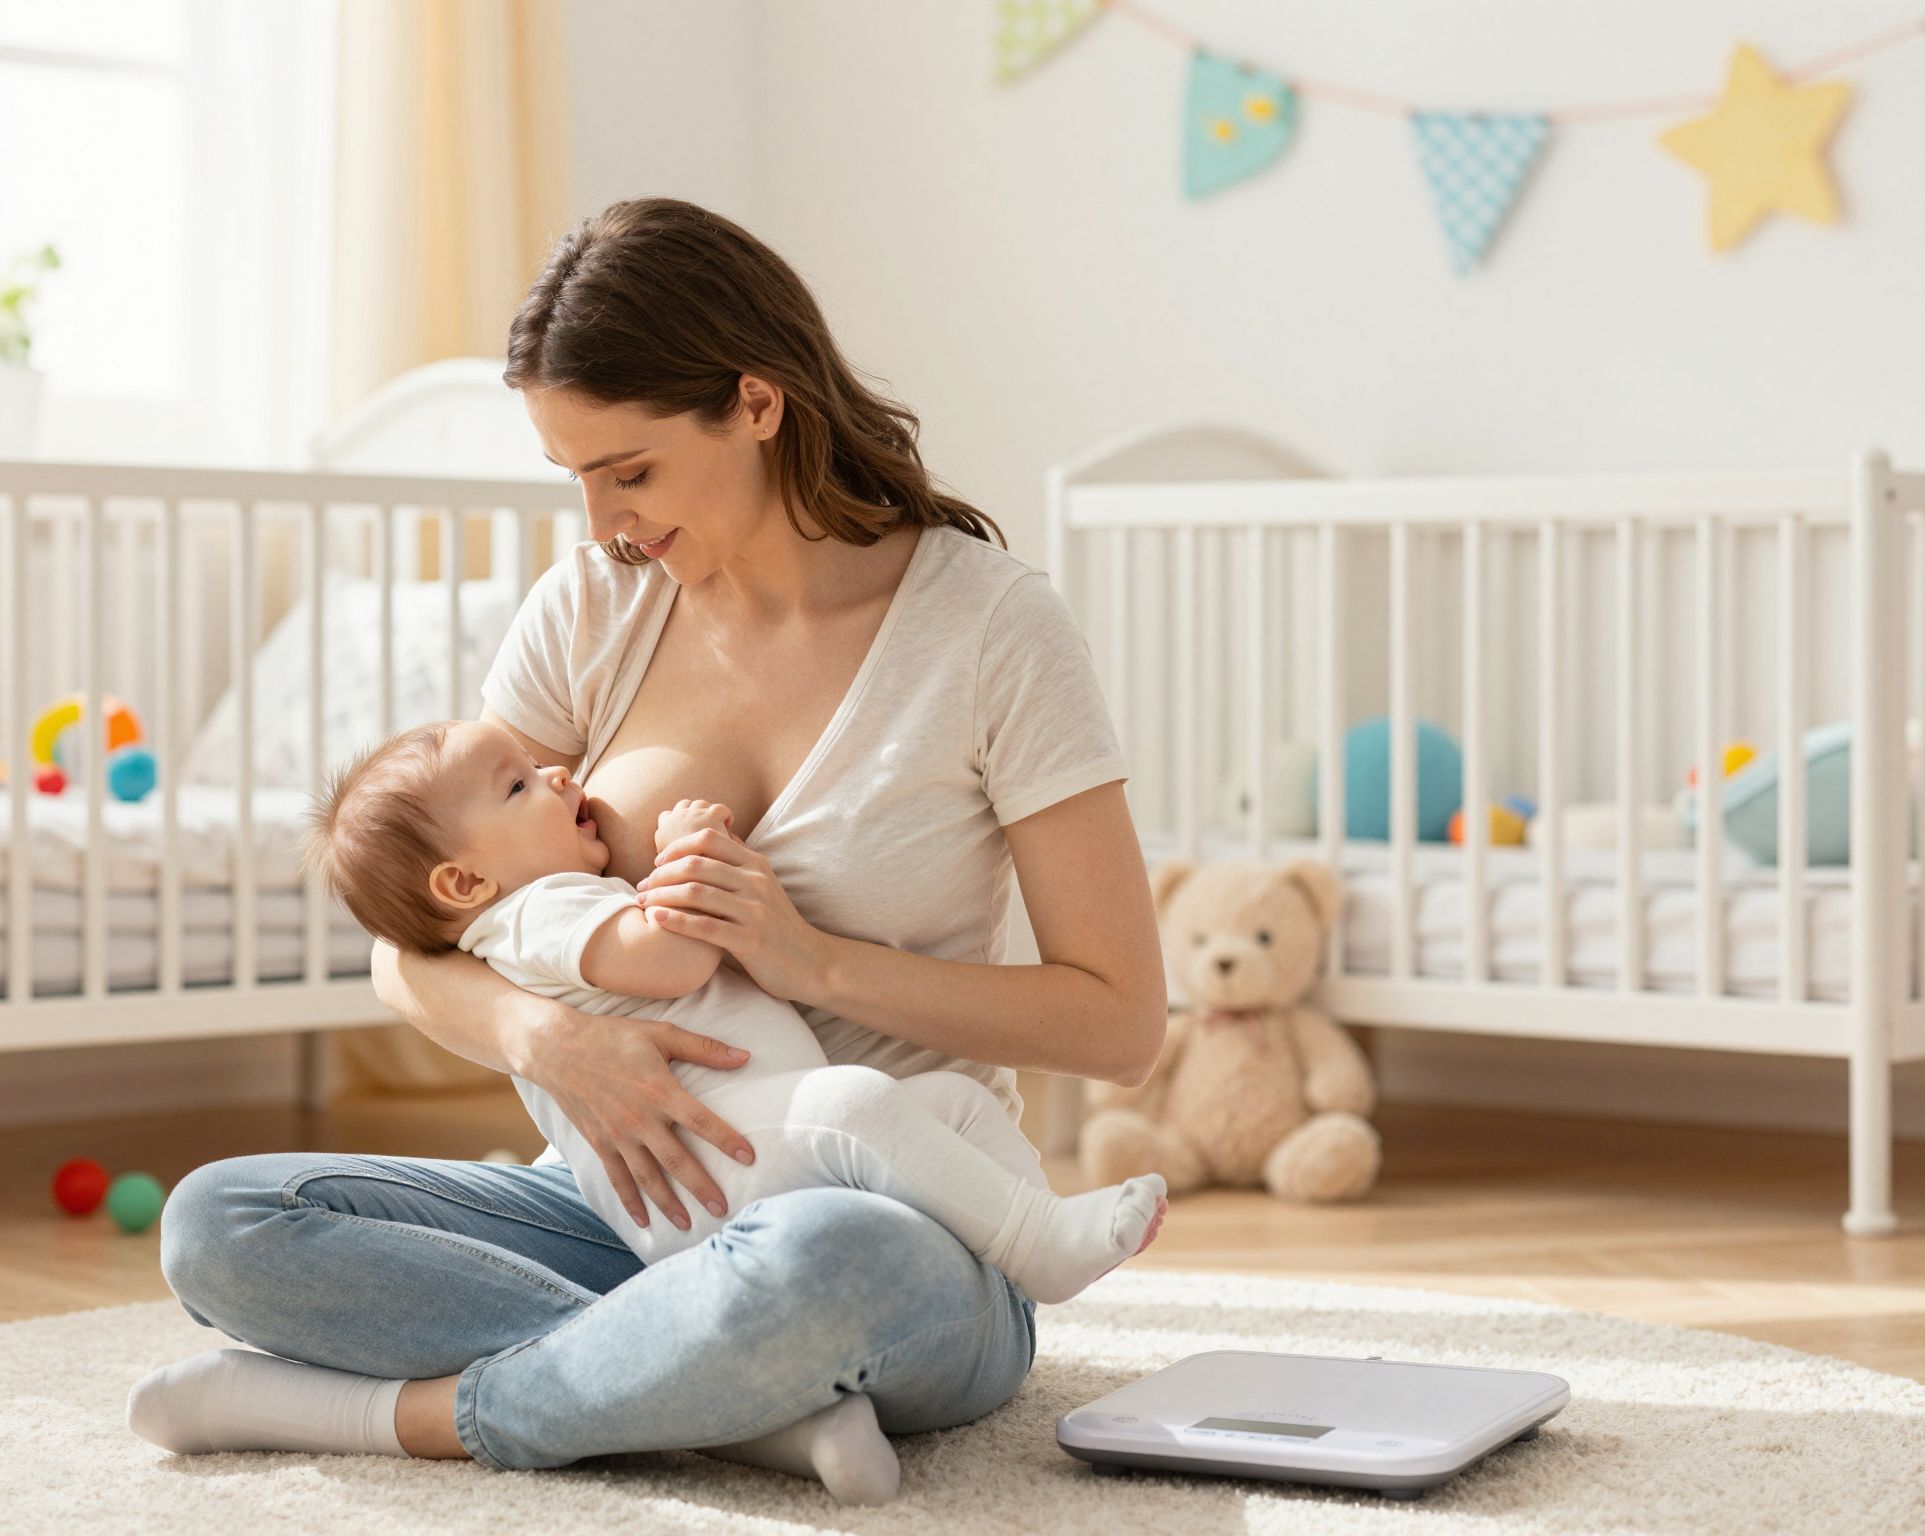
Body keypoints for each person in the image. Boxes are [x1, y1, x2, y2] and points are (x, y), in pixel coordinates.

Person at [129, 197, 1166, 1506]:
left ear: (756, 402)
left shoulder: (993, 633)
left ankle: (421, 1414)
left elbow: (1120, 1021)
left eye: (629, 471)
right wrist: (548, 1041)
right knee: (221, 1223)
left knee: (822, 1265)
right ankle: (720, 1394)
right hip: (626, 1207)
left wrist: (814, 963)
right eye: (573, 476)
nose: (604, 520)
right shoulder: (596, 607)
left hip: (899, 1222)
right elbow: (418, 940)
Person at [294, 713, 1168, 1294]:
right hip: (703, 1173)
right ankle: (1030, 1245)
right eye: (519, 785)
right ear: (465, 881)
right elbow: (670, 956)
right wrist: (691, 848)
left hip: (742, 1159)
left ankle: (1010, 1252)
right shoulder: (533, 916)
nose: (560, 774)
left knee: (951, 1102)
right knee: (860, 1102)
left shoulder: (540, 903)